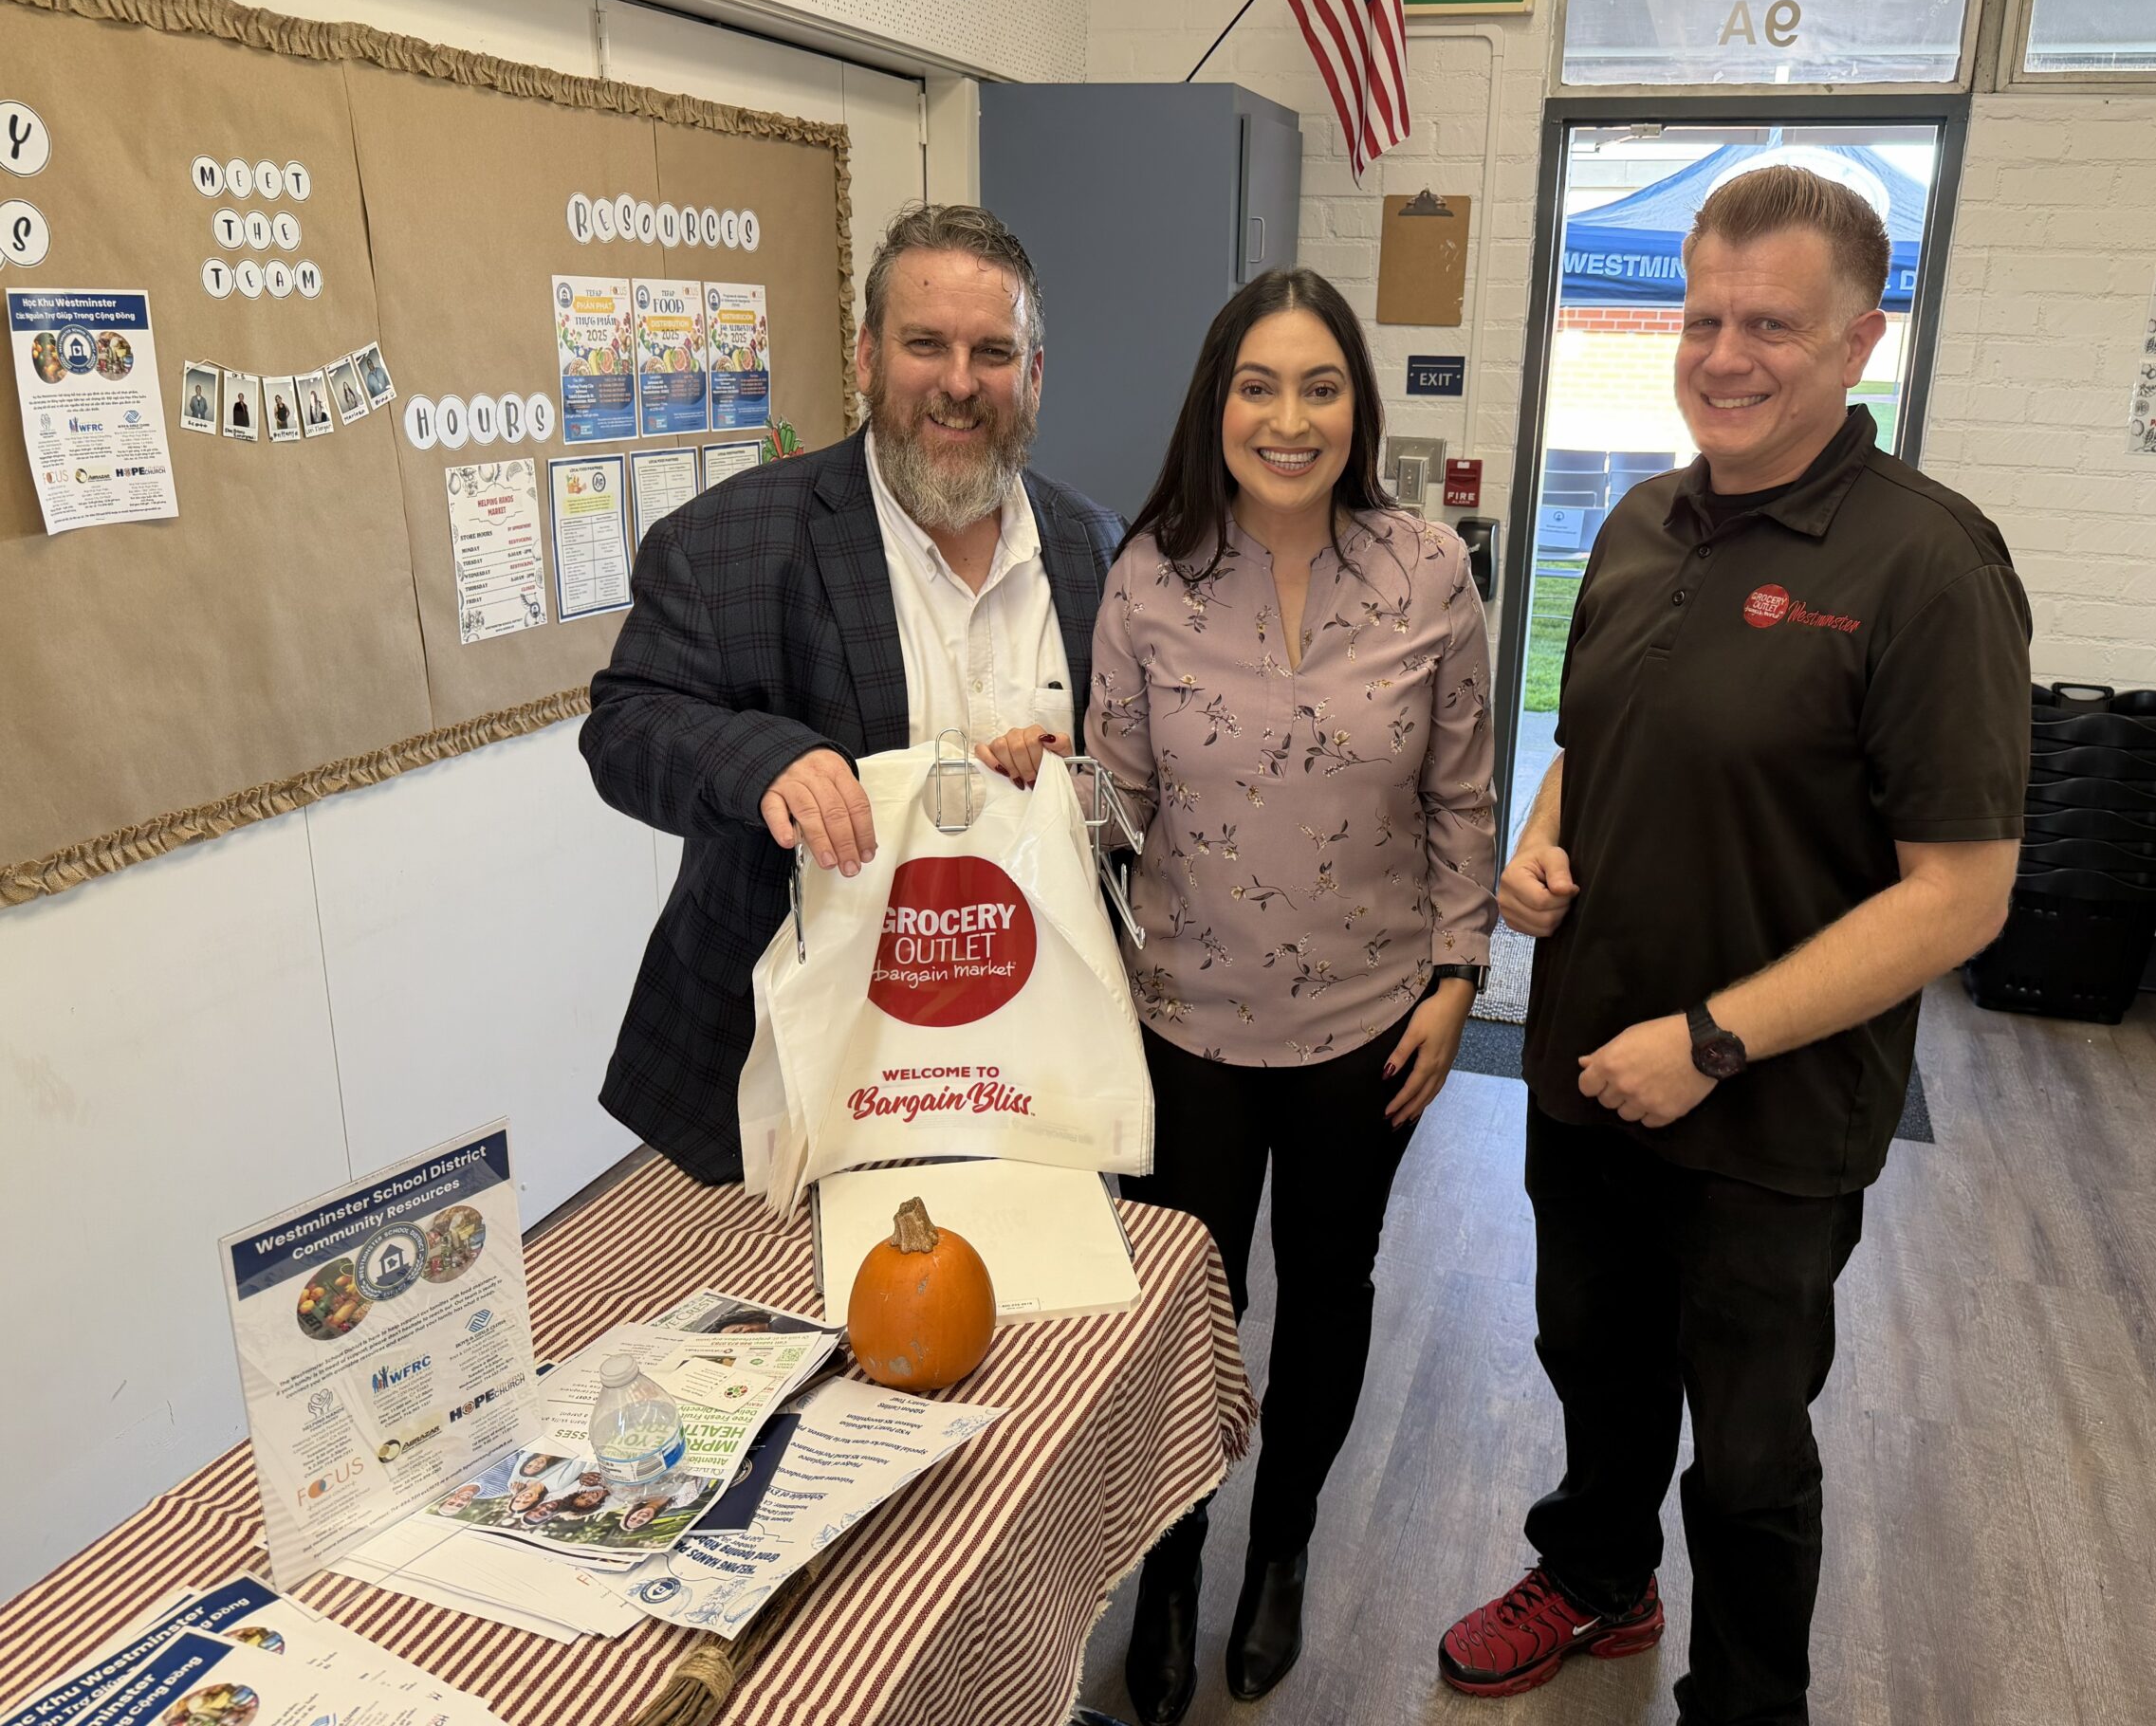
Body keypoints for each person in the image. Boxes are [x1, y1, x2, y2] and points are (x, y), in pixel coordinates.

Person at [1435, 168, 2029, 1721]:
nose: (1727, 352)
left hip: (1766, 1110)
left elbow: (1961, 894)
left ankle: (1748, 1700)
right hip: (1590, 1062)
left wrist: (1709, 1042)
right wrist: (1543, 843)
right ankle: (1597, 1577)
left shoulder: (1929, 566)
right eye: (1704, 316)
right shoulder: (1641, 518)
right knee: (1597, 1363)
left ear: (1858, 341)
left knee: (1753, 1448)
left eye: (1772, 321)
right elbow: (1597, 736)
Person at [1083, 267, 1496, 1724]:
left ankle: (1285, 1549)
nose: (1289, 414)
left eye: (1320, 386)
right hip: (1182, 1016)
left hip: (1366, 1021)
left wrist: (1459, 977)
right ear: (1217, 400)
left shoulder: (1428, 570)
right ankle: (1176, 1557)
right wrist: (1038, 799)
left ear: (1356, 408)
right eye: (1259, 384)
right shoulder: (1148, 573)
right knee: (1183, 1308)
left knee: (1329, 1291)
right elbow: (1117, 806)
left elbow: (1463, 795)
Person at [583, 203, 1120, 1183]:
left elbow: (1145, 772)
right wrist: (764, 761)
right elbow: (624, 730)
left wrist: (1082, 790)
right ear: (868, 357)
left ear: (1032, 375)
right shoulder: (728, 544)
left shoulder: (1097, 551)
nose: (960, 384)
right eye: (926, 345)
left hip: (1032, 1070)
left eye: (992, 352)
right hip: (801, 1078)